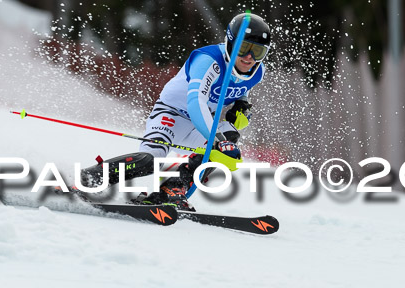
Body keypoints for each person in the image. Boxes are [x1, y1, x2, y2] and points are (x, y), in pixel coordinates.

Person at [80, 12, 272, 211]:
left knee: (229, 139)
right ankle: (90, 178)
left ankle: (171, 189)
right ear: (230, 43)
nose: (249, 57)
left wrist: (242, 104)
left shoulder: (258, 72)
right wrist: (216, 138)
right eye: (243, 48)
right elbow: (196, 101)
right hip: (171, 115)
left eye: (257, 52)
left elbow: (241, 86)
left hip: (198, 126)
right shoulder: (208, 60)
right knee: (150, 161)